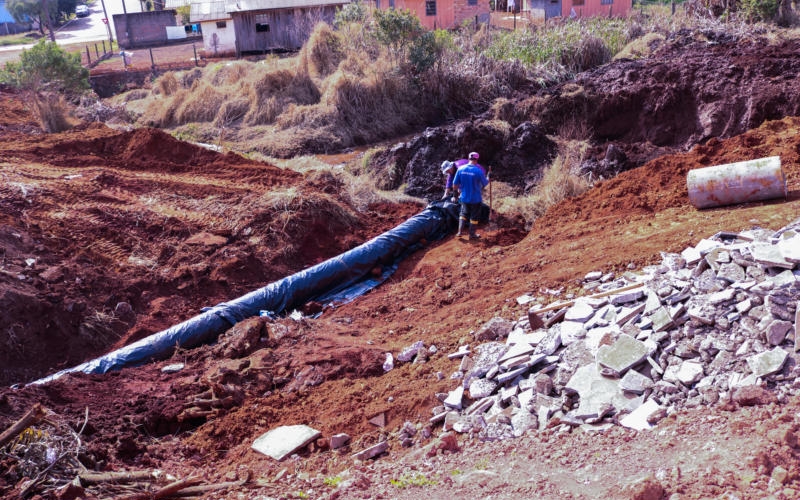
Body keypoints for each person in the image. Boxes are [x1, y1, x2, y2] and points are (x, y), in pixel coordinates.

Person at [453, 152, 490, 240]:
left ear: (468, 158)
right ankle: (472, 234)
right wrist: (489, 177)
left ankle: (460, 232)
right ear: (477, 159)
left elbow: (455, 184)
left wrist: (455, 195)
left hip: (464, 197)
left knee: (463, 213)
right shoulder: (478, 171)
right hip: (475, 198)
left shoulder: (460, 169)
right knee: (474, 216)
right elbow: (485, 183)